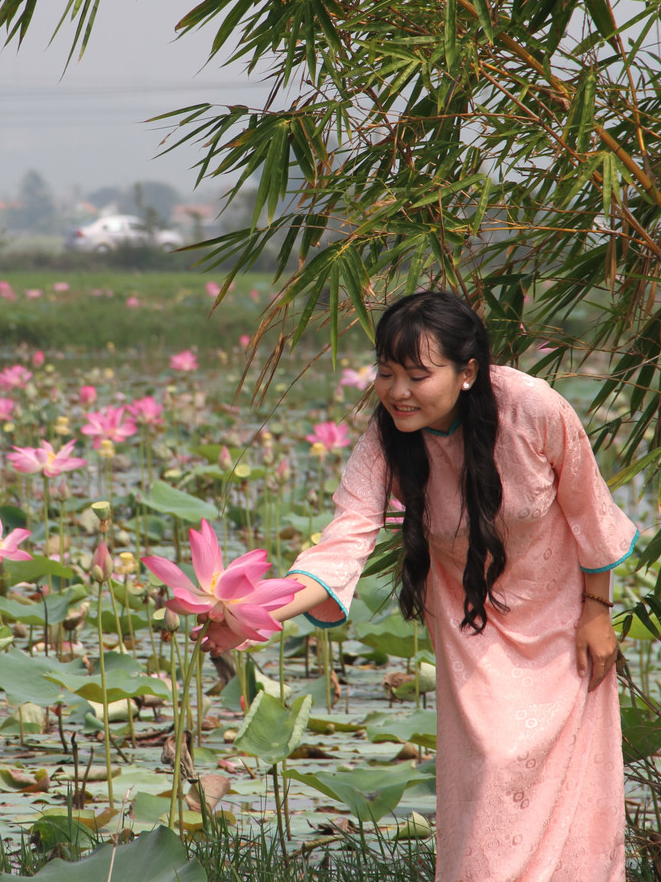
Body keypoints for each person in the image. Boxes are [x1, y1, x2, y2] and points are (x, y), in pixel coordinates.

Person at [252, 290, 637, 882]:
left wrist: (596, 612)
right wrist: (257, 612)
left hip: (562, 616)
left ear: (468, 373)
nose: (397, 392)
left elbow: (591, 513)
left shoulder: (534, 408)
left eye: (417, 375)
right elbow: (344, 542)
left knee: (569, 791)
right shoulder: (389, 437)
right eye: (385, 373)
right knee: (491, 767)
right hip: (470, 621)